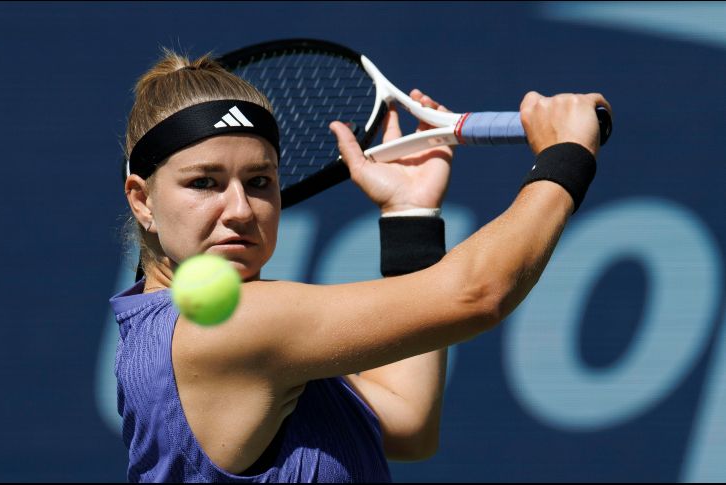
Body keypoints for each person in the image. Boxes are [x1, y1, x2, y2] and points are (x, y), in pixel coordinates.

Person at [110, 49, 610, 483]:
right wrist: (565, 158)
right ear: (143, 201)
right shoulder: (223, 326)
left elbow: (409, 422)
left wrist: (409, 216)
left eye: (259, 181)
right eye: (204, 183)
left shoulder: (230, 337)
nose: (241, 209)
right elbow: (477, 294)